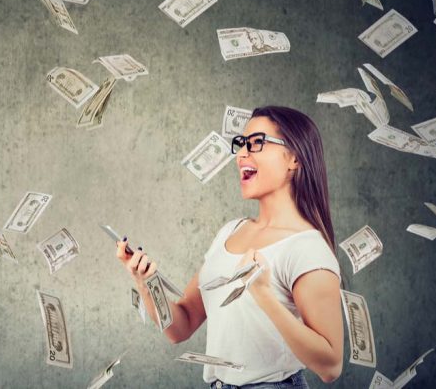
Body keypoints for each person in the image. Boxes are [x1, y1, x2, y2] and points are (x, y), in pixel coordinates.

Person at [116, 105, 344, 388]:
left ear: (294, 158)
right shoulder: (231, 231)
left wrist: (265, 296)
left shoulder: (307, 248)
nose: (242, 154)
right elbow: (181, 326)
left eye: (257, 143)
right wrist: (146, 282)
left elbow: (330, 366)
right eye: (241, 144)